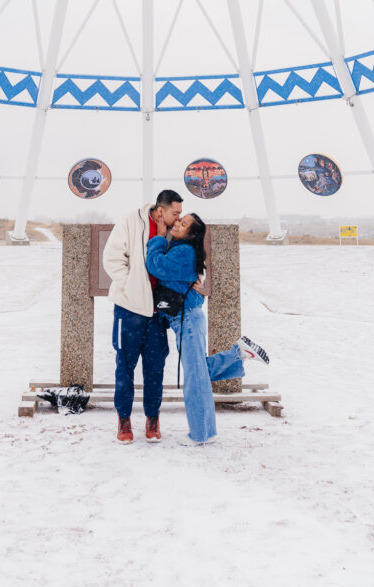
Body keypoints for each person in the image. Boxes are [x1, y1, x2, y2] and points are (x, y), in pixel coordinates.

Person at [146, 212, 269, 446]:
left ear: (191, 234)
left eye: (183, 224)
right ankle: (238, 355)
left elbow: (154, 265)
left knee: (195, 378)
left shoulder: (183, 251)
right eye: (179, 220)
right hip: (187, 319)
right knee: (199, 372)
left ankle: (199, 434)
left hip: (188, 321)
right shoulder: (182, 248)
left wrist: (159, 238)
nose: (177, 224)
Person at [103, 189, 184, 444]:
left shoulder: (175, 230)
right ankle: (124, 419)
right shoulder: (130, 220)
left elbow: (185, 259)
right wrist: (131, 288)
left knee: (155, 368)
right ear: (160, 210)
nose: (179, 217)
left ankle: (152, 417)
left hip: (158, 312)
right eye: (175, 213)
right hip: (128, 309)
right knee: (125, 366)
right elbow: (112, 258)